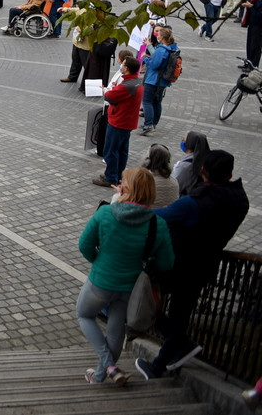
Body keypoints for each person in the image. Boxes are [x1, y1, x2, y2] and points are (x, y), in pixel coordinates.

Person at [136, 150, 249, 380]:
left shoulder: (194, 203)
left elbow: (158, 216)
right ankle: (173, 353)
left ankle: (166, 360)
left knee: (151, 306)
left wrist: (126, 205)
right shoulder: (239, 200)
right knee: (180, 314)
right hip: (206, 264)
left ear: (203, 172)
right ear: (230, 173)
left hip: (179, 264)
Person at [77, 166, 175, 385]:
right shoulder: (157, 224)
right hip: (130, 287)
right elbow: (166, 263)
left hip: (101, 281)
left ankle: (108, 364)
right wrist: (145, 261)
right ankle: (100, 375)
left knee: (84, 315)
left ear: (126, 189)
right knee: (115, 330)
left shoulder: (105, 213)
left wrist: (99, 261)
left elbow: (84, 244)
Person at [94, 55, 144, 187]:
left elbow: (110, 95)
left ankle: (110, 177)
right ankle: (117, 174)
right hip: (128, 122)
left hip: (119, 121)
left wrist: (106, 90)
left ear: (126, 68)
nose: (121, 66)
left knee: (111, 150)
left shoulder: (126, 85)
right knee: (122, 150)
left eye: (123, 64)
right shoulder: (136, 82)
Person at [140, 25, 178, 136]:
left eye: (159, 34)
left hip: (153, 80)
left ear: (162, 38)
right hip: (162, 81)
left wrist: (145, 58)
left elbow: (154, 65)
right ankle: (154, 123)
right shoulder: (172, 47)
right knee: (157, 102)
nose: (157, 36)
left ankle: (148, 125)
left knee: (147, 102)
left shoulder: (161, 50)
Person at [172, 131, 211, 196]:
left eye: (183, 140)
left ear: (189, 144)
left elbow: (174, 185)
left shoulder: (184, 166)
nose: (182, 142)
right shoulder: (207, 159)